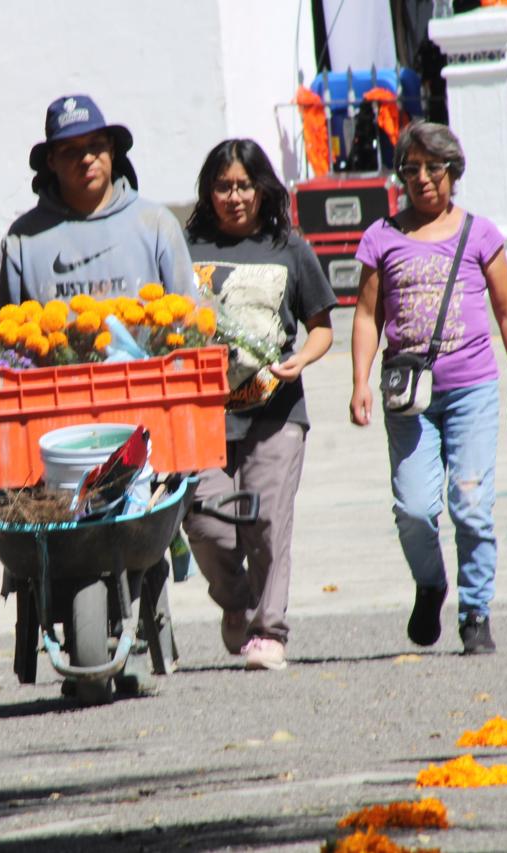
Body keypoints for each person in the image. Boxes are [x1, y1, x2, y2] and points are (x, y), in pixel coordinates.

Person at [349, 120, 507, 655]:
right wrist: (359, 381)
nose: (424, 180)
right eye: (412, 170)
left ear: (454, 172)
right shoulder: (381, 237)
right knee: (413, 508)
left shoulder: (480, 233)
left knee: (470, 506)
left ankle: (475, 612)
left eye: (435, 168)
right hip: (409, 395)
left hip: (472, 389)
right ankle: (431, 584)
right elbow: (366, 316)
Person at [182, 139, 336, 671]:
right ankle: (238, 602)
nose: (234, 196)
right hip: (200, 416)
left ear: (262, 188)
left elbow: (321, 328)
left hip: (275, 411)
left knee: (268, 522)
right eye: (222, 186)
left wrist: (302, 361)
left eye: (244, 185)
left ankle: (269, 631)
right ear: (208, 192)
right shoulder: (184, 249)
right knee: (205, 520)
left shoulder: (288, 247)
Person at [0, 94, 195, 311]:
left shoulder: (156, 224)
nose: (87, 158)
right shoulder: (23, 238)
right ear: (51, 161)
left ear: (112, 150)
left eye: (96, 145)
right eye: (70, 151)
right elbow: (1, 333)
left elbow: (191, 322)